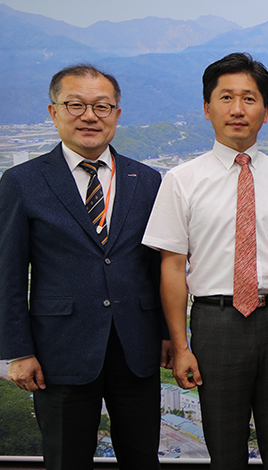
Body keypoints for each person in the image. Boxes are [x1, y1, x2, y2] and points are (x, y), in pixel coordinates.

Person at [142, 52, 268, 469]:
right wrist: (181, 346)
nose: (238, 109)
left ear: (266, 111)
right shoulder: (180, 181)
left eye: (249, 99)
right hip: (216, 323)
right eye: (227, 97)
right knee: (224, 447)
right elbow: (172, 268)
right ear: (207, 108)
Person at [0, 64, 166, 469]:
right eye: (76, 105)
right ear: (54, 112)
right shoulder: (22, 181)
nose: (90, 116)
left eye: (102, 106)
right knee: (66, 460)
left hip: (137, 349)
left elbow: (159, 267)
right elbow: (6, 273)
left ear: (117, 115)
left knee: (142, 458)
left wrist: (166, 335)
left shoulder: (147, 180)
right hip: (60, 352)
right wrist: (16, 352)